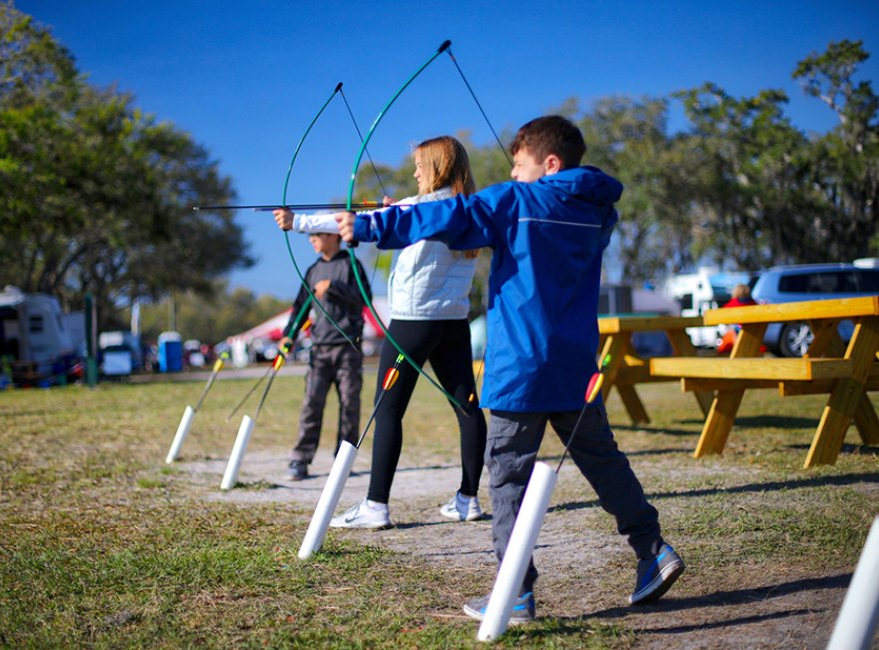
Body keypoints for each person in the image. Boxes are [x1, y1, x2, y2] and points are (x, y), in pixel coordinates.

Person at [335, 116, 684, 622]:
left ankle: (515, 592)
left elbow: (452, 215)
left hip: (521, 369)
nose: (514, 175)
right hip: (575, 366)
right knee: (602, 460)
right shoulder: (596, 212)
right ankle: (652, 549)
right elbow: (462, 216)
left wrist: (370, 225)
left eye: (519, 166)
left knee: (507, 478)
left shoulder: (516, 202)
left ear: (550, 164)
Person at [274, 135, 488, 528]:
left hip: (412, 324)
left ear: (437, 168)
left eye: (420, 166)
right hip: (453, 321)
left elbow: (361, 224)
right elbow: (400, 222)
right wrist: (399, 212)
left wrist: (298, 221)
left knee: (387, 410)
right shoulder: (469, 209)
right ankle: (468, 500)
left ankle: (376, 506)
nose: (414, 172)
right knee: (467, 407)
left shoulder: (418, 207)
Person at [282, 230, 371, 481]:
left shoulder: (351, 265)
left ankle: (343, 461)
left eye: (317, 234)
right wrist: (289, 334)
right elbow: (300, 306)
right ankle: (300, 459)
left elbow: (364, 297)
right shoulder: (312, 270)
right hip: (319, 350)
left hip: (348, 349)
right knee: (311, 404)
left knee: (349, 405)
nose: (312, 239)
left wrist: (334, 287)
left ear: (333, 236)